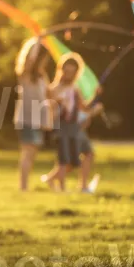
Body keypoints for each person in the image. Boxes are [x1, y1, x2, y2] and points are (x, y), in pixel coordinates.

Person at [44, 53, 101, 192]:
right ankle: (58, 185)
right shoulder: (53, 89)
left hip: (75, 128)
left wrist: (95, 96)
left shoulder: (75, 89)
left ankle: (78, 185)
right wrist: (57, 103)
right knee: (65, 159)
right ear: (60, 70)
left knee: (80, 157)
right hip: (62, 127)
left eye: (72, 72)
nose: (69, 75)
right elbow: (49, 108)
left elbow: (83, 107)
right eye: (66, 71)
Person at [14, 38, 51, 191]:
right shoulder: (26, 74)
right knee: (28, 152)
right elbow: (30, 59)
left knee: (32, 153)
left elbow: (50, 93)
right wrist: (37, 42)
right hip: (27, 119)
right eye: (43, 59)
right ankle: (23, 187)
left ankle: (24, 186)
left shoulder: (42, 77)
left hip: (38, 120)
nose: (45, 62)